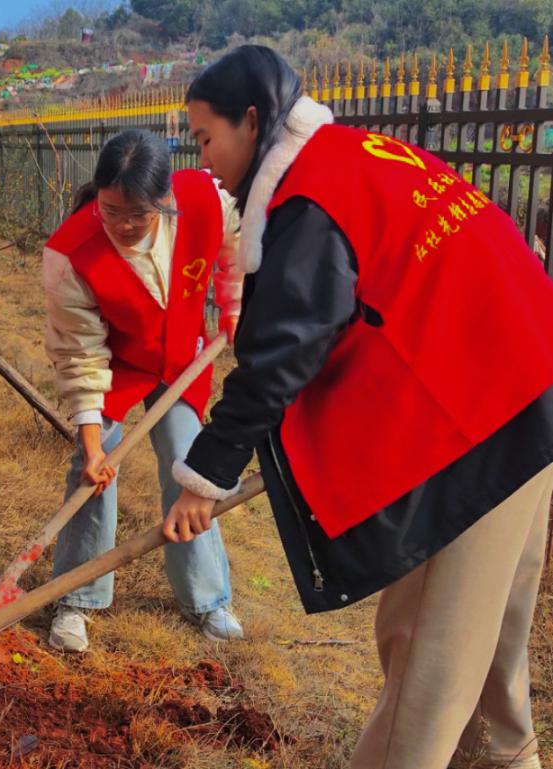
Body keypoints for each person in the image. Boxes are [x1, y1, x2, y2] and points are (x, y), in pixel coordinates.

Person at [165, 45, 553, 769]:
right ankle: (509, 757)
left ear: (251, 123)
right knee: (492, 629)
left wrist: (203, 474)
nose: (203, 161)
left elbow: (281, 351)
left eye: (205, 139)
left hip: (474, 420)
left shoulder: (310, 198)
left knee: (425, 652)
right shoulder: (352, 155)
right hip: (527, 384)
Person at [42, 129, 245, 652]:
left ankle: (207, 598)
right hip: (116, 363)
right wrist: (90, 440)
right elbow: (79, 353)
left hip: (183, 355)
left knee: (188, 460)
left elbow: (236, 247)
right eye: (112, 211)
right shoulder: (71, 252)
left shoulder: (204, 199)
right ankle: (76, 598)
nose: (125, 225)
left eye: (139, 213)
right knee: (96, 465)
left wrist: (233, 305)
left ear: (166, 199)